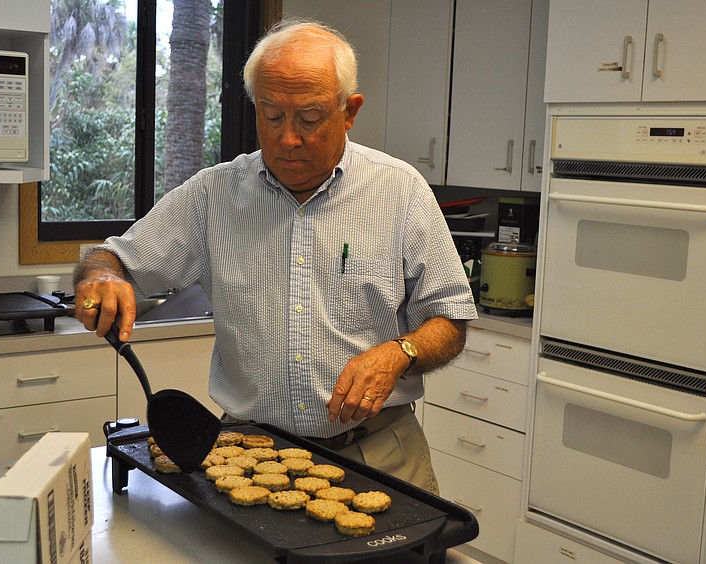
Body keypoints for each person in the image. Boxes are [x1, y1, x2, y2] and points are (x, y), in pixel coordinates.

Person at [73, 19, 477, 493]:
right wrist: (101, 276)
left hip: (382, 455)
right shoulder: (213, 197)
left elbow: (450, 320)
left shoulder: (401, 192)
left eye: (309, 119)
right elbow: (109, 258)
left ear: (350, 111)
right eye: (271, 115)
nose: (288, 139)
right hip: (249, 456)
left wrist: (400, 351)